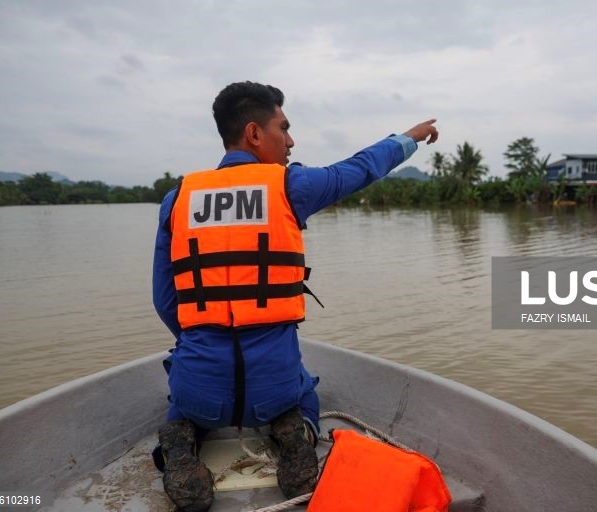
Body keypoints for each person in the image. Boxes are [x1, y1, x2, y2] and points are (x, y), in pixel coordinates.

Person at [152, 81, 438, 512]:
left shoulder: (176, 201)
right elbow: (361, 167)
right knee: (306, 388)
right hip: (275, 389)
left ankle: (181, 441)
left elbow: (164, 300)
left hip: (202, 393)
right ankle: (298, 432)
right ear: (253, 134)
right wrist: (408, 138)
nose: (290, 141)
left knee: (182, 386)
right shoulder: (291, 186)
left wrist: (201, 334)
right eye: (282, 128)